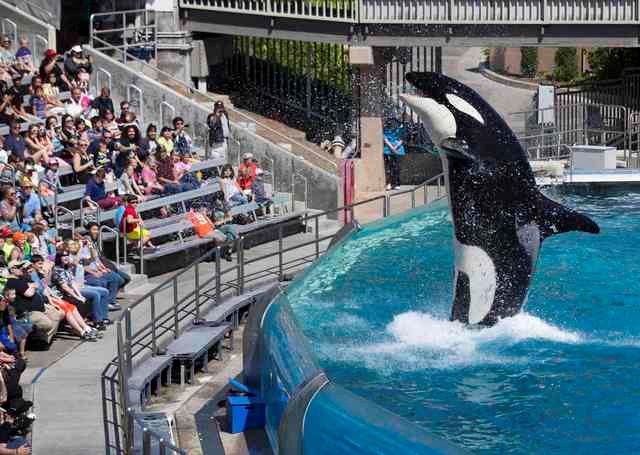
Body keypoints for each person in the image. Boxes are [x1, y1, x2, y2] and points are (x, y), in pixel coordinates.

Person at [5, 260, 63, 345]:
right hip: (28, 312)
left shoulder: (22, 278)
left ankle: (43, 340)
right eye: (18, 267)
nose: (21, 268)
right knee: (47, 324)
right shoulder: (13, 281)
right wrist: (32, 286)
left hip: (40, 307)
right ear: (12, 270)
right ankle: (38, 339)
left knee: (59, 314)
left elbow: (35, 285)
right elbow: (29, 293)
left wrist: (32, 286)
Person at [383, 119, 406, 190]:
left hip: (399, 151)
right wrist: (392, 148)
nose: (393, 124)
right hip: (388, 151)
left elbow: (402, 139)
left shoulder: (400, 130)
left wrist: (395, 147)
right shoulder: (385, 130)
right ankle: (389, 183)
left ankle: (397, 183)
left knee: (397, 168)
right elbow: (385, 139)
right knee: (389, 168)